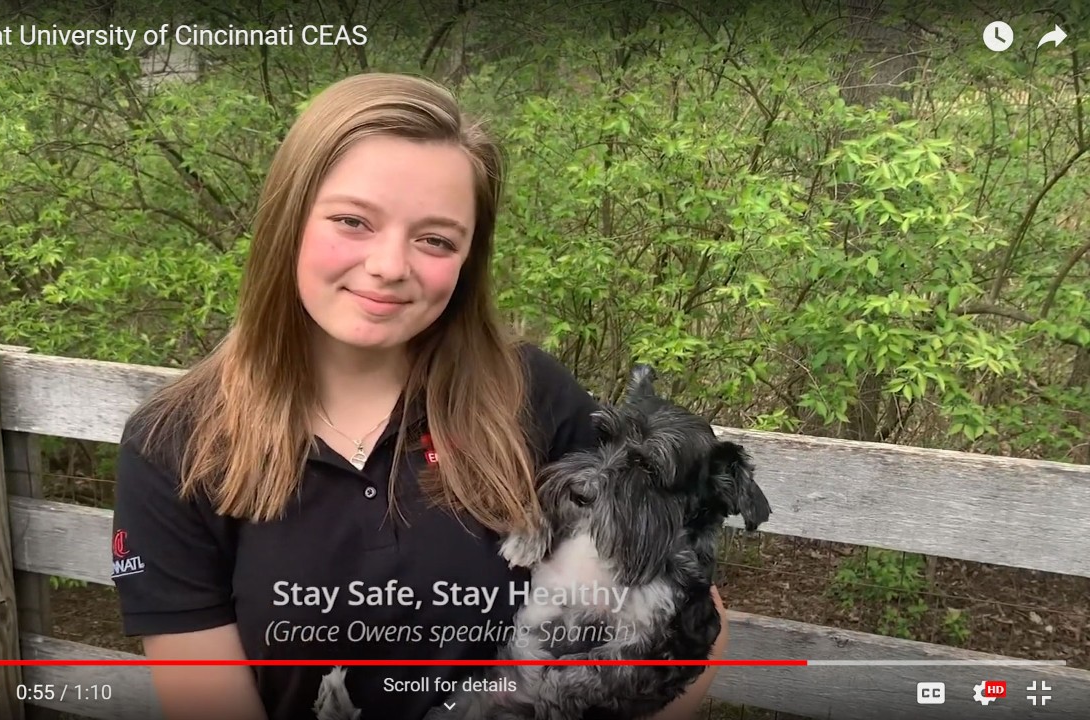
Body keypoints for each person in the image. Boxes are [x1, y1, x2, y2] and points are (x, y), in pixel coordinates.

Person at [110, 72, 729, 720]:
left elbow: (690, 623)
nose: (388, 266)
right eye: (353, 221)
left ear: (467, 259)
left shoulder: (534, 399)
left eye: (435, 239)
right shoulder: (175, 444)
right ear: (287, 219)